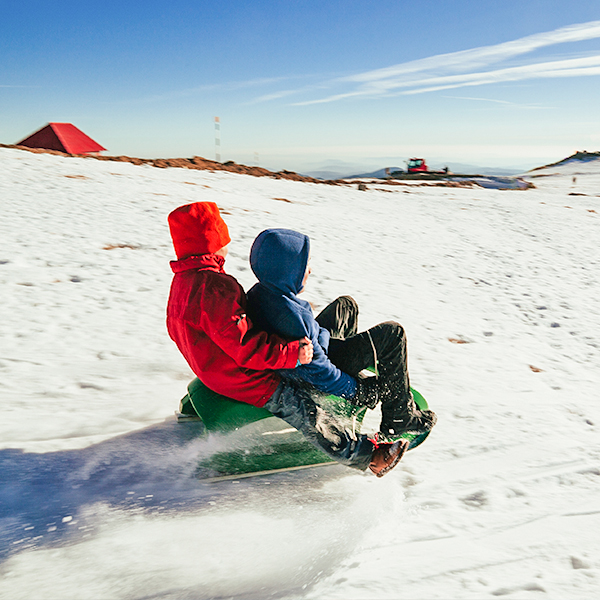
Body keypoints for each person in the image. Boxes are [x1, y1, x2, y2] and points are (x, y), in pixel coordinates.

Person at [166, 202, 407, 477]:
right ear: (212, 242)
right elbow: (243, 346)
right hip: (247, 378)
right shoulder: (215, 287)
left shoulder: (183, 283)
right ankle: (367, 456)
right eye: (223, 239)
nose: (227, 246)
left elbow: (184, 332)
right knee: (305, 411)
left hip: (212, 371)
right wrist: (291, 354)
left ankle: (192, 408)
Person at [246, 228, 436, 443]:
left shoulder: (261, 293)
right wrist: (356, 391)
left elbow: (312, 340)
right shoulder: (293, 318)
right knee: (392, 334)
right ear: (288, 271)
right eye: (303, 266)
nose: (309, 270)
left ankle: (349, 395)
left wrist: (324, 338)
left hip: (314, 353)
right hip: (315, 377)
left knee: (345, 305)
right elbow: (318, 372)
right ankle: (399, 418)